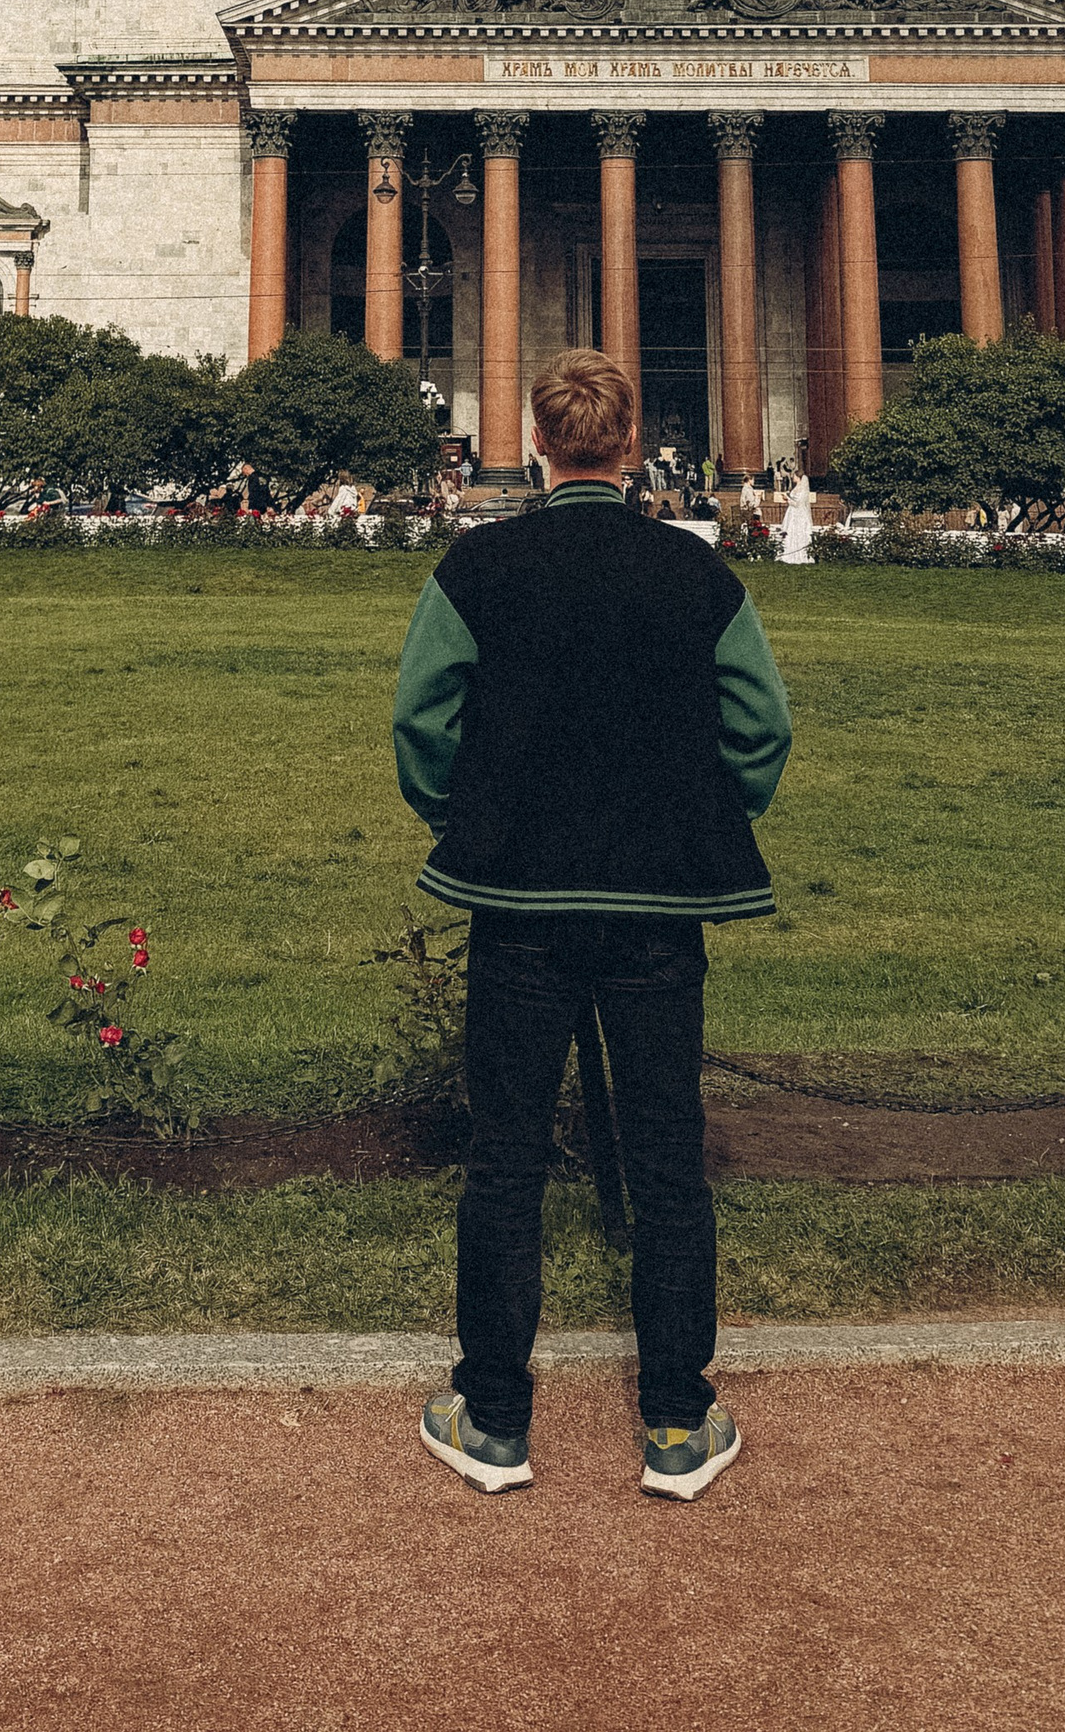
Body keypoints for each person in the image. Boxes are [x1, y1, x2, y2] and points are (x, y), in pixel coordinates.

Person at [392, 346, 791, 1503]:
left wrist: (470, 816)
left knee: (505, 1155)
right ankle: (675, 1419)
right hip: (663, 906)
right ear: (628, 446)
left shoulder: (480, 562)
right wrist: (699, 814)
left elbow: (421, 721)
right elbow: (760, 727)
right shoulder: (698, 574)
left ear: (537, 440)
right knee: (668, 1154)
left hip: (519, 905)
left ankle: (495, 1416)